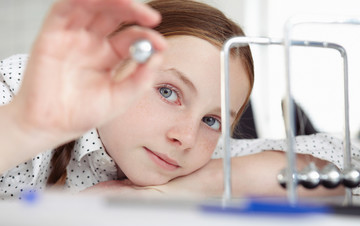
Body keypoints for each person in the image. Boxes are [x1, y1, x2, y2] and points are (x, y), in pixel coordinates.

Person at [0, 0, 357, 201]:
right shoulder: (22, 90)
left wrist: (189, 186)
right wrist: (20, 128)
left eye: (213, 120)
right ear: (114, 62)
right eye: (168, 92)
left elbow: (345, 163)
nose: (185, 138)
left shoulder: (198, 156)